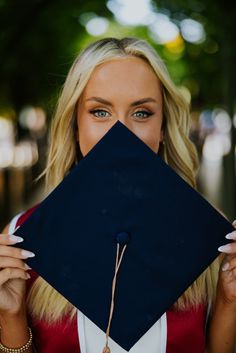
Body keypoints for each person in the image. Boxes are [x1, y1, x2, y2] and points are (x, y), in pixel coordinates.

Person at [0, 37, 236, 353]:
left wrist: (229, 299)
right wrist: (10, 315)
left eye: (141, 113)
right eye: (100, 112)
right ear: (75, 123)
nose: (120, 133)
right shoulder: (22, 237)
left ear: (163, 126)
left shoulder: (208, 234)